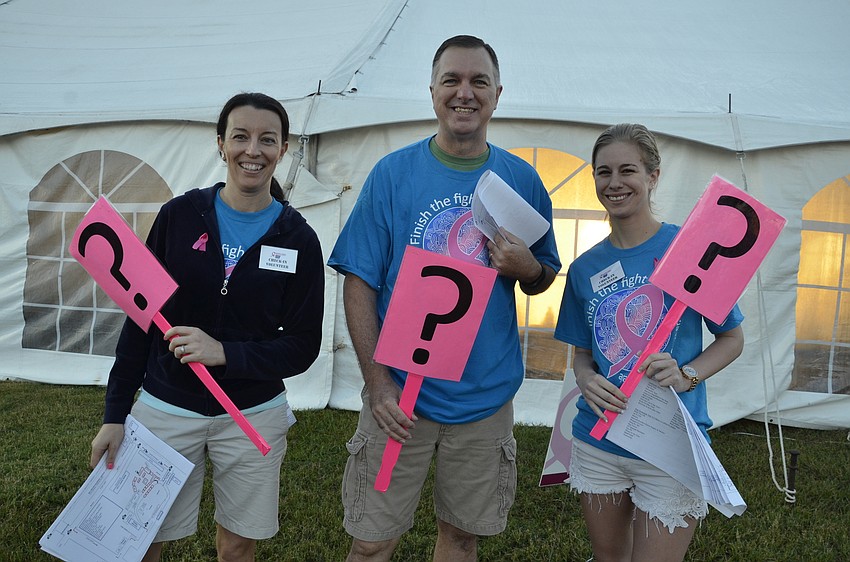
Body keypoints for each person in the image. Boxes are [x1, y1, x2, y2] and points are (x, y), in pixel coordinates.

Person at [328, 35, 561, 561]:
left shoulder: (521, 179)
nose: (465, 93)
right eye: (452, 80)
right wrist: (377, 383)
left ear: (497, 94)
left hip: (483, 398)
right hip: (400, 395)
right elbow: (359, 279)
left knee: (461, 537)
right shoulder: (393, 174)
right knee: (370, 541)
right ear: (432, 90)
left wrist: (528, 266)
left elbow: (542, 274)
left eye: (479, 81)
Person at [89, 92, 325, 562]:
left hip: (251, 412)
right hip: (166, 407)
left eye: (267, 140)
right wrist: (116, 413)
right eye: (240, 136)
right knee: (138, 539)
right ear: (220, 144)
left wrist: (227, 353)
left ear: (282, 149)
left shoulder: (298, 238)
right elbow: (141, 320)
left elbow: (302, 346)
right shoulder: (179, 216)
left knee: (237, 546)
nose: (252, 150)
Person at [555, 123, 745, 561]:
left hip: (670, 442)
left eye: (628, 170)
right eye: (604, 172)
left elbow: (732, 338)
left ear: (653, 176)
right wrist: (585, 379)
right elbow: (582, 353)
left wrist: (687, 374)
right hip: (597, 440)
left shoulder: (691, 249)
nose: (615, 183)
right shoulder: (585, 268)